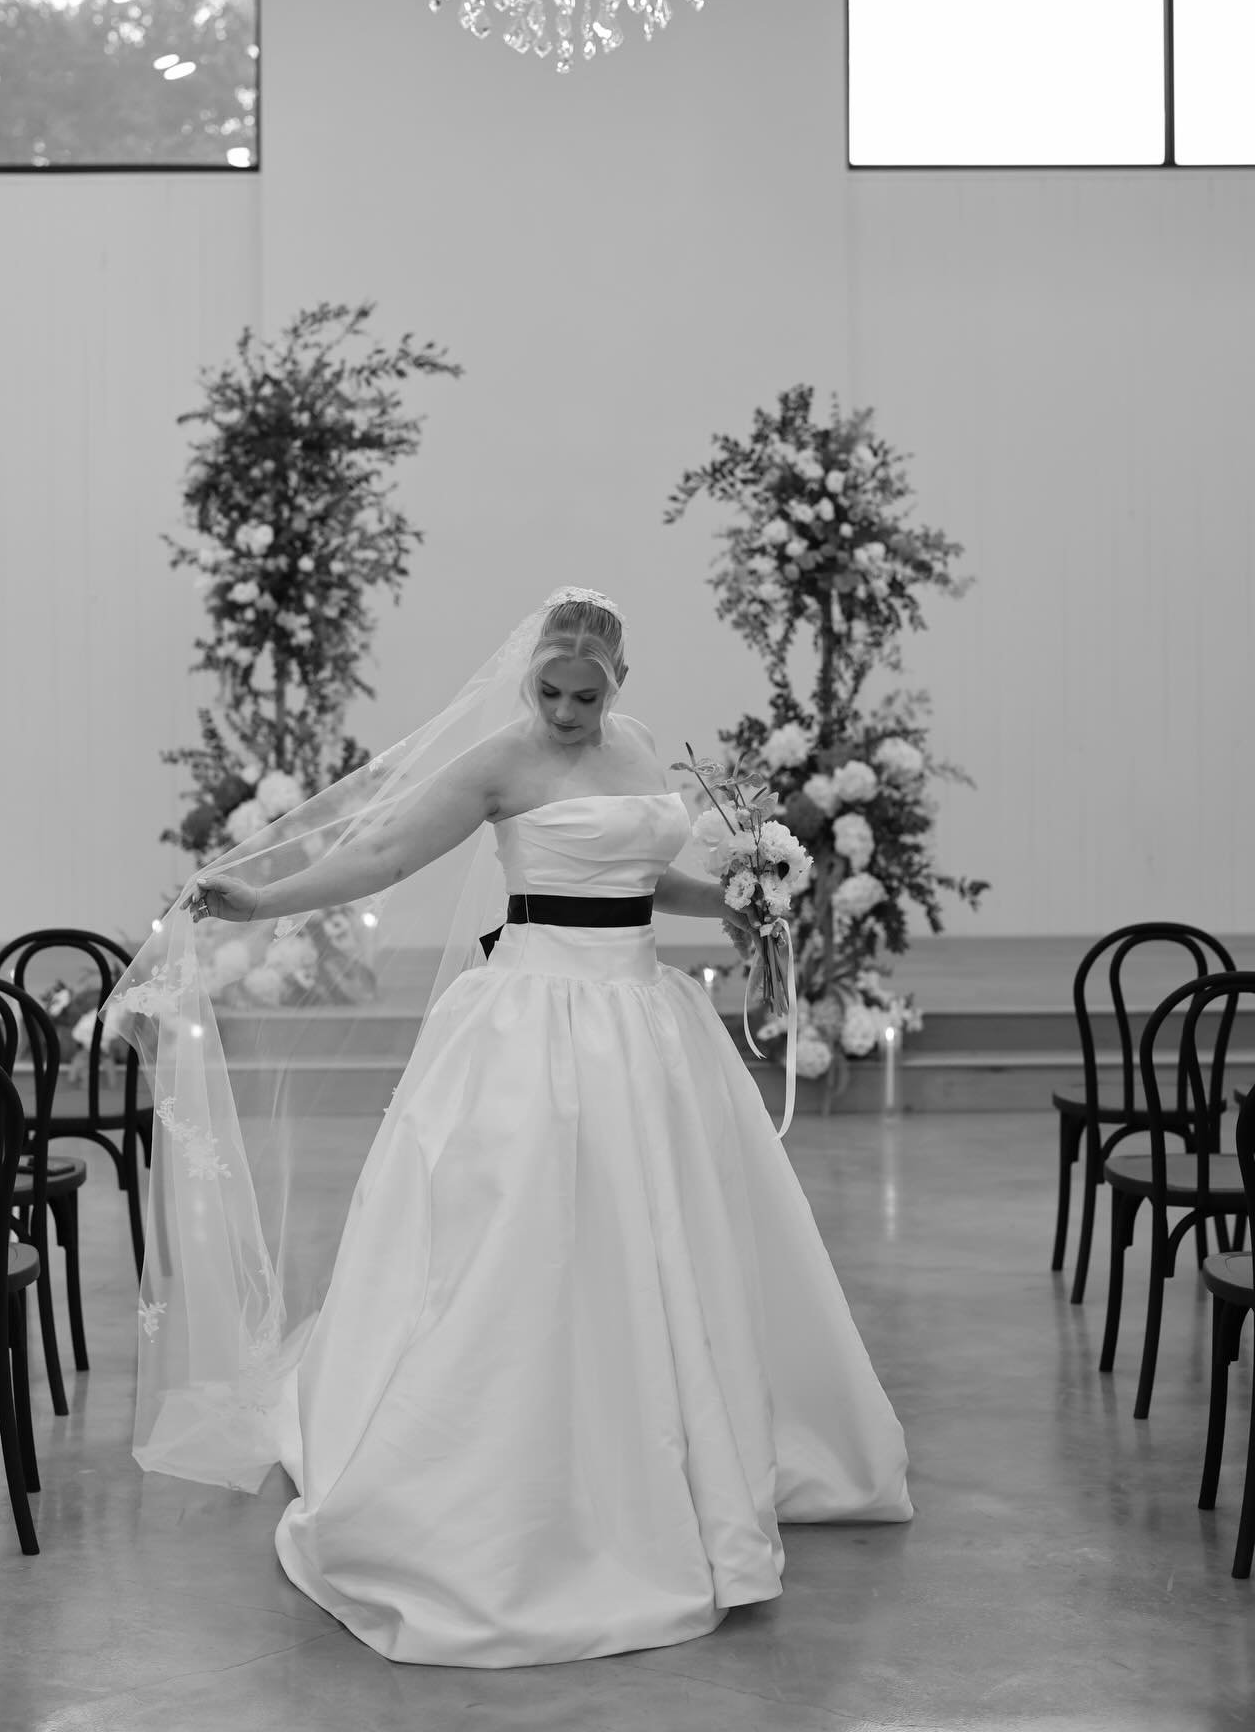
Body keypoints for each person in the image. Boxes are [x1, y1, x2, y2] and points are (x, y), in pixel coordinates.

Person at [107, 587, 912, 1670]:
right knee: (514, 1244)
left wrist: (735, 905)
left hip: (644, 1022)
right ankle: (499, 1485)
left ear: (618, 683)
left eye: (589, 694)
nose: (570, 712)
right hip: (532, 1019)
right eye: (552, 692)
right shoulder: (498, 763)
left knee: (663, 1243)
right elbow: (384, 853)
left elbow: (637, 878)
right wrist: (261, 898)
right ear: (530, 674)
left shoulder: (638, 750)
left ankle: (673, 1465)